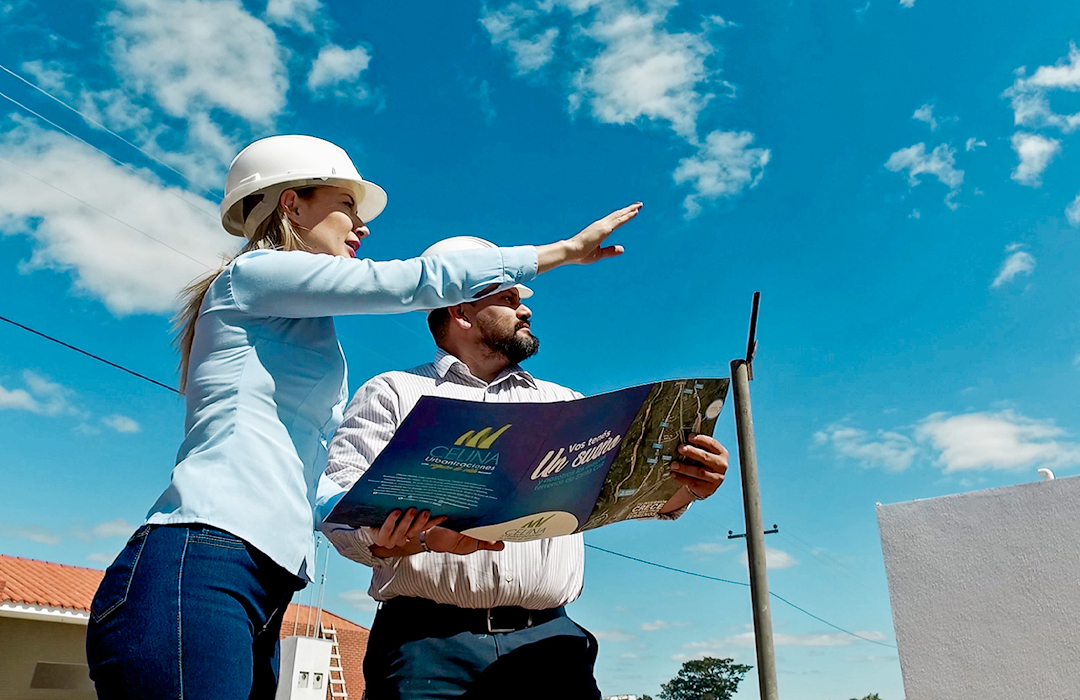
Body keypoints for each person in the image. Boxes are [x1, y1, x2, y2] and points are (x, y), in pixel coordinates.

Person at [84, 134, 642, 700]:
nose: (363, 225)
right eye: (348, 205)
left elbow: (318, 488)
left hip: (261, 577)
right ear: (291, 204)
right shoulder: (250, 275)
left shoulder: (296, 329)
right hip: (201, 558)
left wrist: (407, 534)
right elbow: (406, 282)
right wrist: (562, 252)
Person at [318, 236, 730, 700]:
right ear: (461, 310)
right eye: (510, 299)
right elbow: (339, 509)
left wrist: (689, 485)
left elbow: (620, 495)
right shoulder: (393, 393)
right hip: (425, 647)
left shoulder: (565, 403)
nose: (526, 310)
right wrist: (403, 540)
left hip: (549, 648)